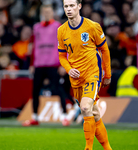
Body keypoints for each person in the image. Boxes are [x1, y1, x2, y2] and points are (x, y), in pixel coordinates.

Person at [58, 0, 112, 149]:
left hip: (92, 74)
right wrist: (69, 69)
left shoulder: (92, 26)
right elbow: (62, 56)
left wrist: (107, 74)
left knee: (85, 108)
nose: (69, 9)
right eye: (66, 6)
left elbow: (105, 50)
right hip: (76, 78)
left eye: (71, 6)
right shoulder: (61, 31)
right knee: (94, 113)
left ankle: (88, 147)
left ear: (79, 6)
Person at [23, 4, 69, 127]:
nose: (46, 14)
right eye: (44, 12)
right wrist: (32, 63)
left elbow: (65, 45)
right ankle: (35, 117)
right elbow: (34, 47)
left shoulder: (58, 27)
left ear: (53, 13)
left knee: (59, 89)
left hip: (53, 64)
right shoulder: (36, 28)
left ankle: (65, 116)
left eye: (48, 12)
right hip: (39, 64)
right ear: (42, 13)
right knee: (35, 91)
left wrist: (64, 63)